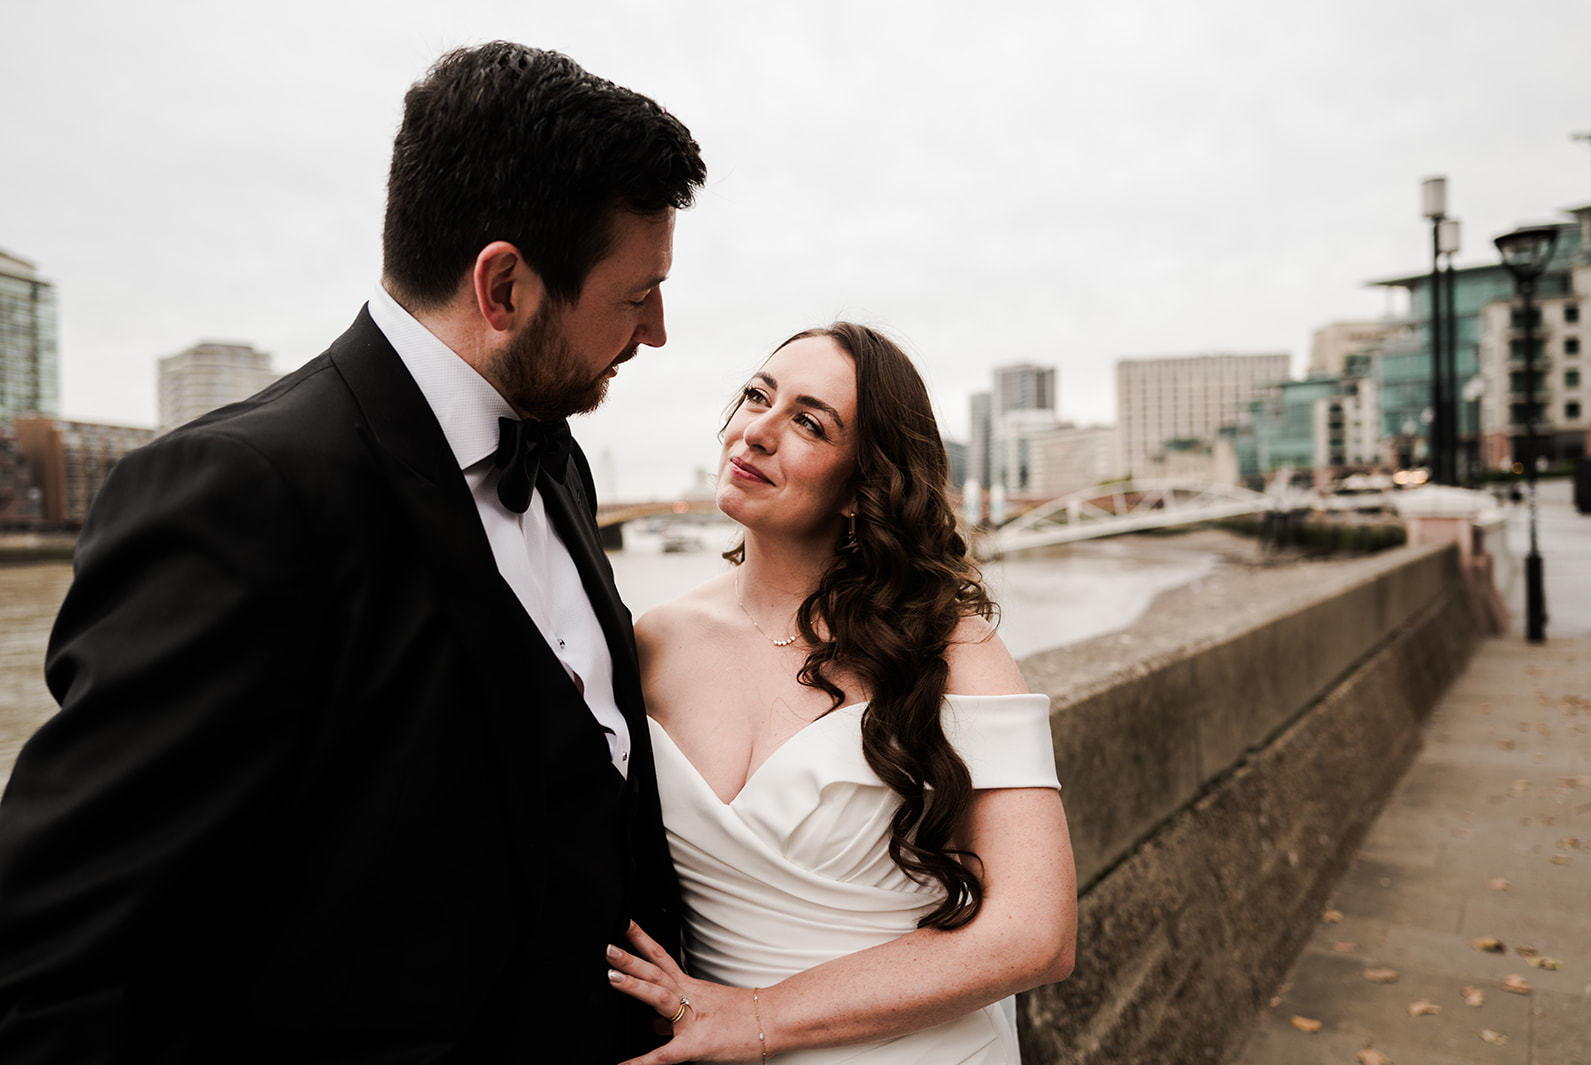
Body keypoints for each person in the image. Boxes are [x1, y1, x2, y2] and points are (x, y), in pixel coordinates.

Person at [0, 43, 704, 1063]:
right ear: (503, 285)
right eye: (635, 296)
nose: (659, 331)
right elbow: (68, 966)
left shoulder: (558, 460)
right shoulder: (238, 496)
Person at [607, 323, 1077, 1064]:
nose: (756, 430)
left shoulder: (954, 650)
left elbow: (1037, 933)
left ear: (865, 486)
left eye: (807, 421)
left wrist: (762, 1016)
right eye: (757, 396)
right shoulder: (650, 643)